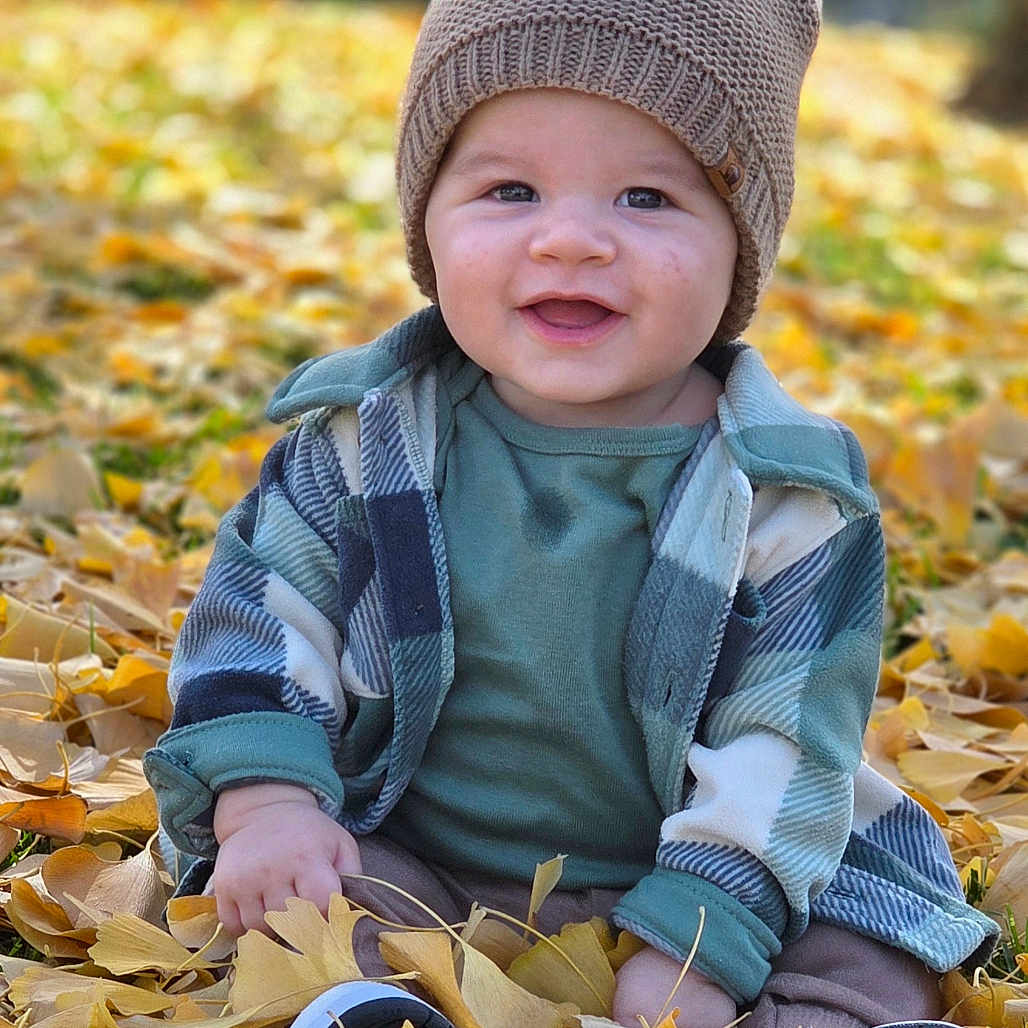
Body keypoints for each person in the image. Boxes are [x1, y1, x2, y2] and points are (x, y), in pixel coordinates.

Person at [143, 1, 998, 1025]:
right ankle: (372, 1002)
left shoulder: (783, 496)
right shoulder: (361, 439)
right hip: (425, 846)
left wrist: (697, 942)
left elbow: (786, 744)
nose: (570, 239)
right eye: (509, 189)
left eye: (645, 196)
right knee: (299, 892)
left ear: (740, 246)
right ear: (426, 223)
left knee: (866, 947)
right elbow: (260, 619)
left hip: (731, 878)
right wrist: (268, 800)